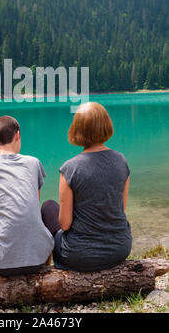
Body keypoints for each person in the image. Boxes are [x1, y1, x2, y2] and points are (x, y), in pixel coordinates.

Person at [41, 101, 132, 272]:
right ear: (106, 125)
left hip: (79, 256)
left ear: (77, 129)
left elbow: (65, 224)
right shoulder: (122, 161)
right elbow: (121, 208)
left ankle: (45, 271)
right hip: (120, 250)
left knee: (48, 207)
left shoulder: (70, 168)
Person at [0, 115, 54, 276]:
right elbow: (34, 200)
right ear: (17, 135)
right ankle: (46, 261)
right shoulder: (33, 162)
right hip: (38, 261)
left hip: (2, 266)